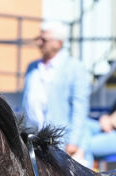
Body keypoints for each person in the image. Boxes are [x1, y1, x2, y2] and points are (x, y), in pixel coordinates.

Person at [21, 20, 91, 164]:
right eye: (38, 39)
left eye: (44, 39)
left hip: (62, 142)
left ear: (58, 43)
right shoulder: (32, 67)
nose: (39, 43)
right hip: (34, 140)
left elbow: (80, 107)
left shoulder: (74, 67)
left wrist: (73, 141)